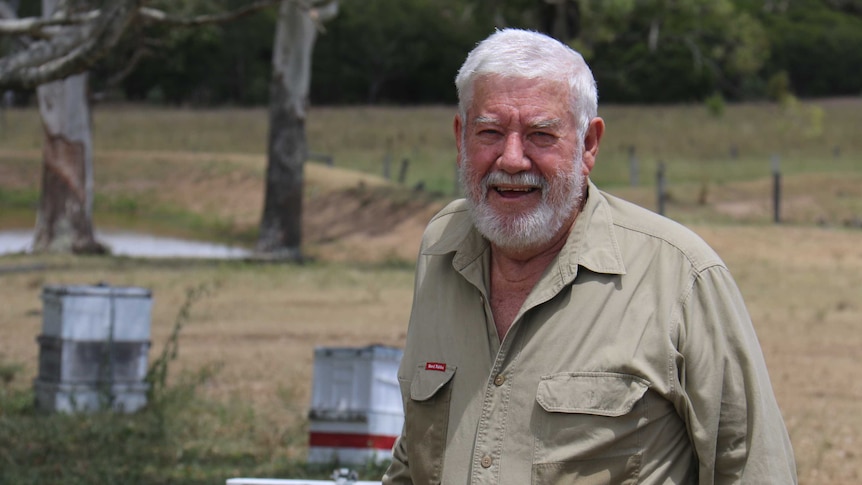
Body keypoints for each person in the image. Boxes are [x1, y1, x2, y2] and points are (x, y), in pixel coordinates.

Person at [382, 29, 797, 484]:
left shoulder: (681, 276)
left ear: (589, 145)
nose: (512, 159)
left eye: (541, 134)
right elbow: (416, 457)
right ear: (461, 138)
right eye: (490, 132)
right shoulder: (440, 247)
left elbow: (754, 469)